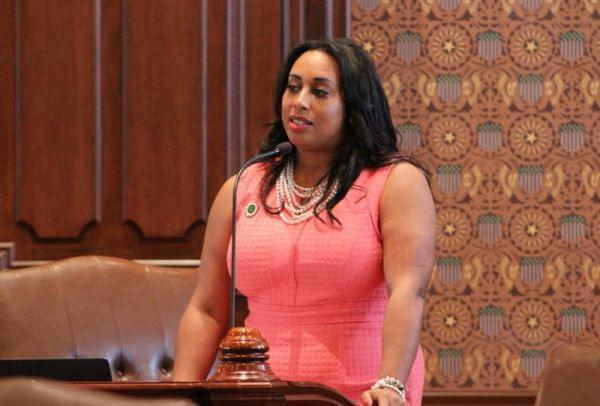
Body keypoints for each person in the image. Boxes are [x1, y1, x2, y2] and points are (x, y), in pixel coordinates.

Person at [172, 38, 435, 406]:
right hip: (258, 393)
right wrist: (180, 395)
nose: (300, 101)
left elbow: (408, 291)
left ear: (353, 107)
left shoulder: (395, 182)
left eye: (320, 91)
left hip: (362, 393)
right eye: (293, 87)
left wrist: (391, 383)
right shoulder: (243, 185)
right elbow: (209, 308)